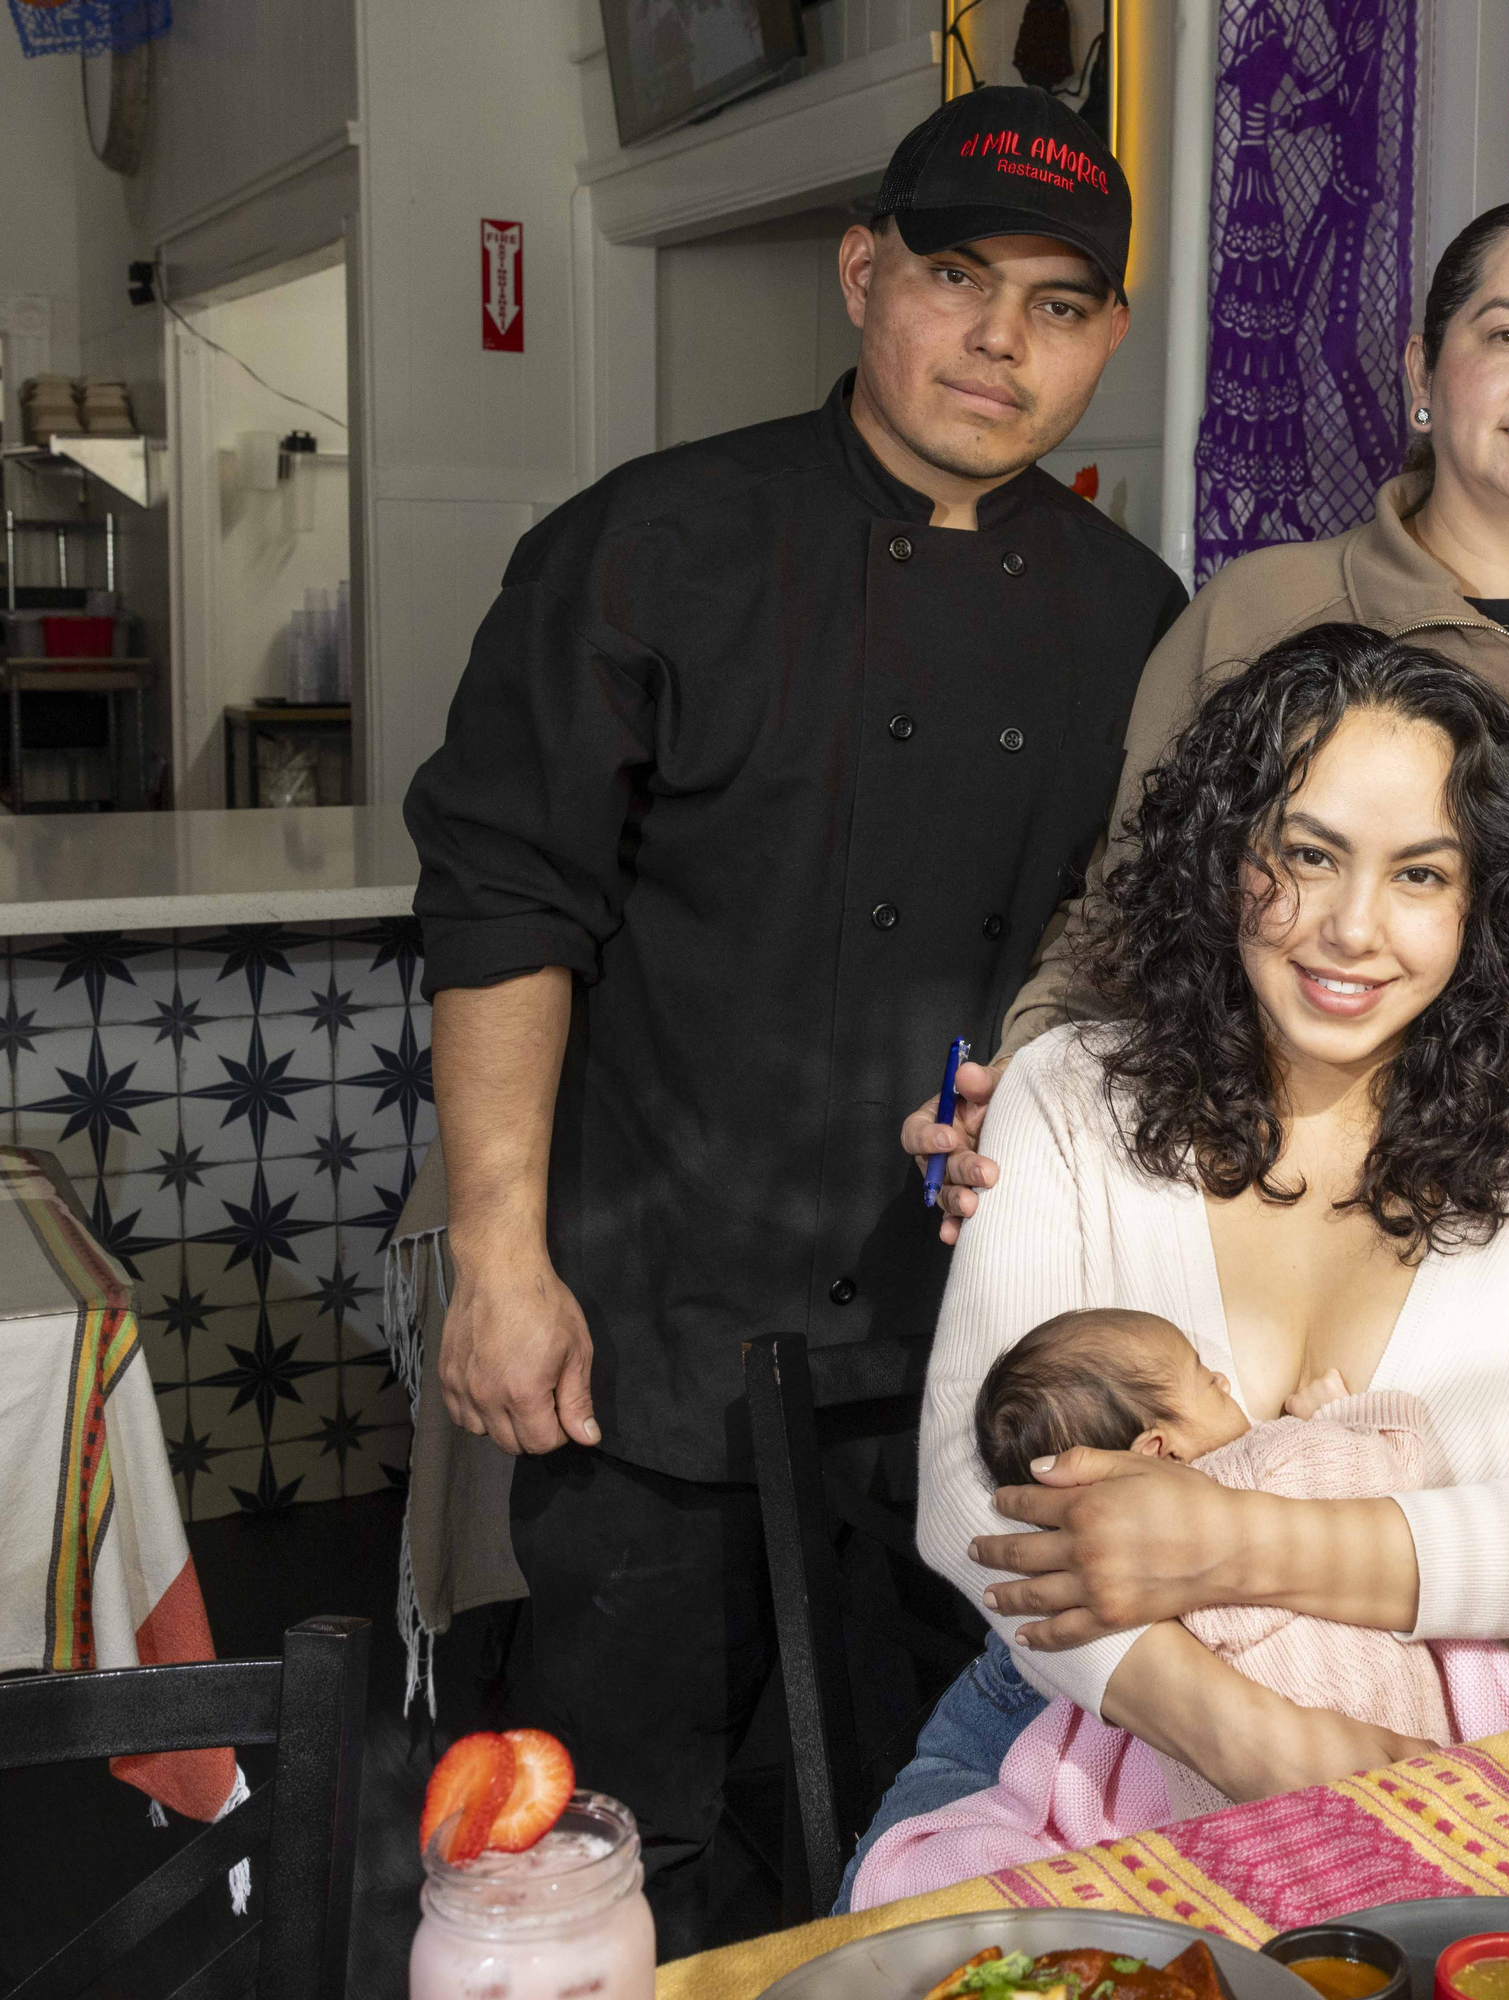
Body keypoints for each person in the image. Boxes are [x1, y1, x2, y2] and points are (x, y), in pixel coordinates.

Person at [403, 86, 1182, 1947]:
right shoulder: (650, 545)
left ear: (1106, 343)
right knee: (619, 1825)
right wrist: (500, 1258)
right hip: (656, 1323)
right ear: (862, 275)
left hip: (967, 1347)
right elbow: (510, 899)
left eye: (1059, 305)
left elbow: (1135, 987)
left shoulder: (1140, 621)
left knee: (948, 1820)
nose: (1000, 340)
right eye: (954, 275)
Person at [913, 194, 1509, 1472]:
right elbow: (1126, 912)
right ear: (1423, 377)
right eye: (1508, 332)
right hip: (1353, 1290)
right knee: (1334, 1630)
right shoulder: (1262, 613)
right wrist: (1020, 1113)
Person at [862, 624, 1509, 1895]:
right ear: (1222, 852)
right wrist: (1269, 1743)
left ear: (1486, 902)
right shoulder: (1069, 1095)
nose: (1352, 929)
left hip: (1470, 1728)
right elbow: (975, 1504)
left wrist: (1231, 1544)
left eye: (1421, 874)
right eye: (1306, 855)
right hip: (1080, 1720)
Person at [843, 1311, 1509, 1906]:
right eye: (1204, 1379)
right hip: (1382, 1745)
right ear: (1158, 1452)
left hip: (1212, 1821)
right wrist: (1344, 1417)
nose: (1227, 1379)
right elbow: (1389, 1469)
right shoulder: (1266, 1468)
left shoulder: (1089, 1569)